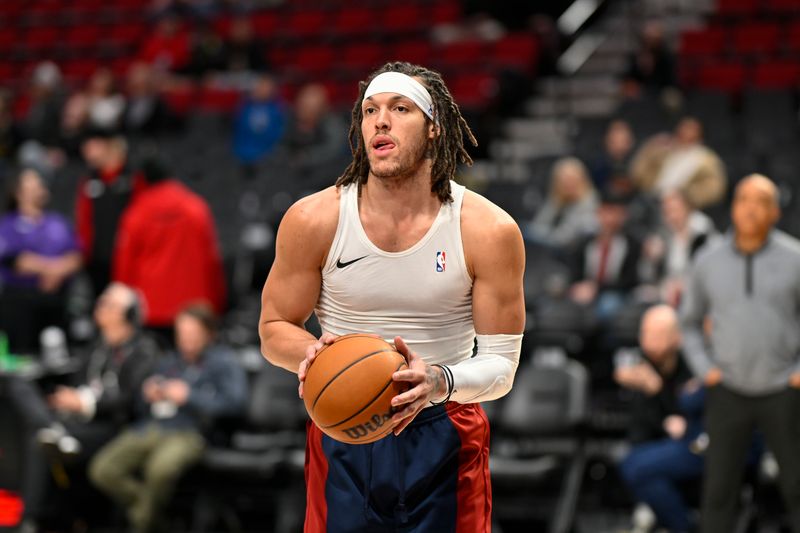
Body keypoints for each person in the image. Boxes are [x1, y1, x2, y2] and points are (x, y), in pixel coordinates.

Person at [259, 62, 525, 532]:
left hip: (445, 423)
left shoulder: (488, 229)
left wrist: (439, 381)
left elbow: (502, 367)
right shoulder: (313, 220)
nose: (380, 120)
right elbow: (274, 327)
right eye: (370, 110)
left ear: (434, 128)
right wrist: (313, 352)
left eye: (400, 108)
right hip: (342, 425)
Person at [681, 174, 800, 532]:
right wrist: (705, 369)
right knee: (718, 491)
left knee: (796, 485)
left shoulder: (795, 257)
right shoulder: (708, 259)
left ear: (775, 211)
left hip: (784, 389)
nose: (750, 207)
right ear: (732, 207)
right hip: (727, 389)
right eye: (743, 199)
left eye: (761, 200)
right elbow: (687, 322)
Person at [7, 282, 159, 531]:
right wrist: (71, 397)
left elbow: (131, 399)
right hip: (76, 418)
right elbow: (79, 380)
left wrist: (85, 403)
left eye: (108, 304)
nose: (100, 307)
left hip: (112, 424)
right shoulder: (97, 345)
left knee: (40, 441)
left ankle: (30, 520)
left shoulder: (143, 350)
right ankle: (53, 430)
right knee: (18, 385)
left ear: (128, 314)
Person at [89, 304, 247, 533]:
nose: (186, 340)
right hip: (153, 426)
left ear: (208, 333)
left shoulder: (224, 362)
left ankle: (143, 523)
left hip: (192, 432)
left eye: (193, 334)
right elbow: (141, 406)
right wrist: (147, 394)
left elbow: (235, 405)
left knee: (159, 471)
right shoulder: (169, 361)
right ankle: (151, 517)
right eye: (182, 334)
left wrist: (189, 396)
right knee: (103, 469)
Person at [112, 153, 226, 339]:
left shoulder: (137, 212)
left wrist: (122, 307)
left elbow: (124, 266)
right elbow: (212, 260)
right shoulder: (196, 207)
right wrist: (217, 303)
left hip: (150, 309)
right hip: (193, 308)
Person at [616, 305, 703, 533]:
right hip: (649, 440)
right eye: (645, 333)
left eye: (657, 335)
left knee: (641, 468)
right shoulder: (639, 362)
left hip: (691, 442)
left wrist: (657, 390)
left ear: (676, 337)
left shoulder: (693, 365)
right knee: (637, 462)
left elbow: (686, 414)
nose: (648, 341)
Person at [0, 168, 82, 353]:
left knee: (58, 356)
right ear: (18, 192)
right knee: (22, 355)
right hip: (20, 302)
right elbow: (15, 260)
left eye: (40, 183)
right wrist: (52, 269)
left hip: (56, 300)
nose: (40, 187)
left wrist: (58, 271)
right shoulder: (8, 224)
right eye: (33, 183)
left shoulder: (58, 222)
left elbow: (76, 256)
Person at [75, 130, 145, 294]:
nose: (87, 152)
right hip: (99, 261)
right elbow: (84, 220)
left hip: (130, 258)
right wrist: (84, 253)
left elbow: (143, 215)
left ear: (109, 146)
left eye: (92, 146)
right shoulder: (89, 181)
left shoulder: (133, 178)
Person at [568, 188, 642, 323]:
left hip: (617, 294)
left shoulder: (632, 244)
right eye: (606, 211)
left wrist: (597, 288)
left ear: (623, 215)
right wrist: (578, 287)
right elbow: (574, 273)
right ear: (599, 213)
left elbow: (631, 280)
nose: (610, 218)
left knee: (608, 305)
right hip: (585, 293)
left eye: (615, 212)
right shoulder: (585, 243)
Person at [641, 190, 717, 306]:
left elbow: (709, 269)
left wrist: (684, 284)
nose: (672, 216)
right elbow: (649, 274)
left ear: (688, 208)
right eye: (667, 212)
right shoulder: (663, 234)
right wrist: (651, 258)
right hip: (666, 291)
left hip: (695, 291)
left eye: (675, 210)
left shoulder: (702, 233)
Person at [631, 117, 726, 210]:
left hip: (684, 206)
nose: (686, 132)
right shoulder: (662, 150)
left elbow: (715, 189)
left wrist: (687, 196)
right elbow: (638, 173)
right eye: (683, 128)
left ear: (700, 134)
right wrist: (652, 146)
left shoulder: (705, 159)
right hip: (650, 199)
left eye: (691, 129)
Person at [526, 156, 598, 252]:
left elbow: (563, 239)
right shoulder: (556, 199)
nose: (568, 184)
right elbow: (537, 226)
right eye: (563, 180)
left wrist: (544, 235)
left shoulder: (588, 203)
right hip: (551, 250)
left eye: (572, 179)